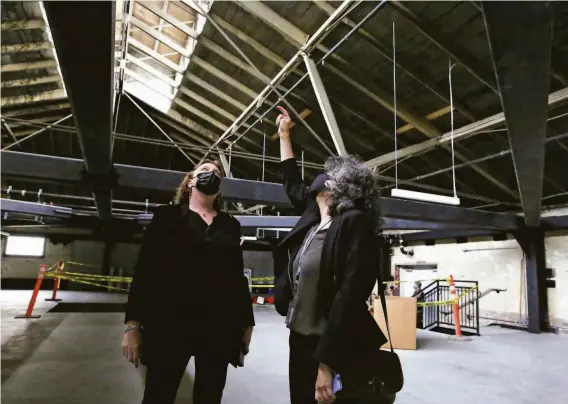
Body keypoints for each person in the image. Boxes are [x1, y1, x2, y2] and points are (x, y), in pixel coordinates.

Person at [273, 106, 392, 404]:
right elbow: (291, 184)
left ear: (342, 186)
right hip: (300, 338)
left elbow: (350, 295)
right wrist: (284, 135)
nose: (321, 177)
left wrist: (326, 362)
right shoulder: (315, 216)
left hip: (330, 344)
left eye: (330, 174)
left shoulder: (352, 222)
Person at [121, 159, 255, 404]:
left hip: (218, 326)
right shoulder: (166, 217)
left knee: (210, 396)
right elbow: (144, 271)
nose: (211, 174)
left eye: (216, 173)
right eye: (204, 171)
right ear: (190, 181)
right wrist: (133, 325)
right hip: (169, 324)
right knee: (158, 394)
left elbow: (237, 276)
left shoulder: (230, 225)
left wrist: (247, 322)